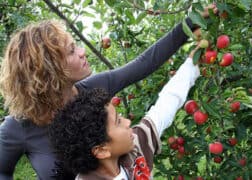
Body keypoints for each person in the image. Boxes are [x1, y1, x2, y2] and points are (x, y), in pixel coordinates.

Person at [0, 5, 217, 180]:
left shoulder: (93, 92)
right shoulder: (18, 127)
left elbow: (145, 63)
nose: (83, 52)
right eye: (72, 51)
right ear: (48, 71)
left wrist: (190, 23)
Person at [48, 47, 200, 179]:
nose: (128, 122)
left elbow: (165, 106)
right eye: (118, 122)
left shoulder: (135, 149)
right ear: (101, 150)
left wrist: (192, 63)